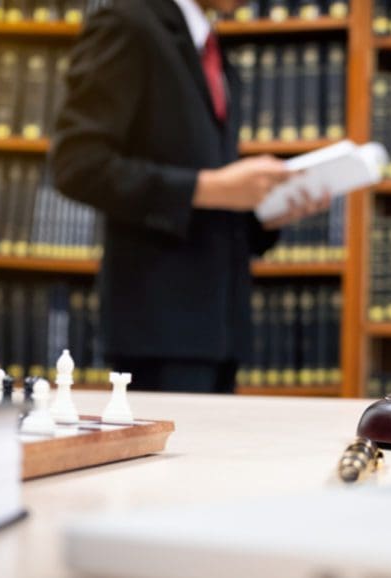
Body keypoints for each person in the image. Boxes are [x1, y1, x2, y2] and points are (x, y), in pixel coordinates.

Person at [51, 0, 326, 393]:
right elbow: (77, 164)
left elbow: (211, 191)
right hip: (158, 327)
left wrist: (266, 211)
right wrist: (211, 188)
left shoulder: (213, 52)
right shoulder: (127, 23)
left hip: (220, 332)